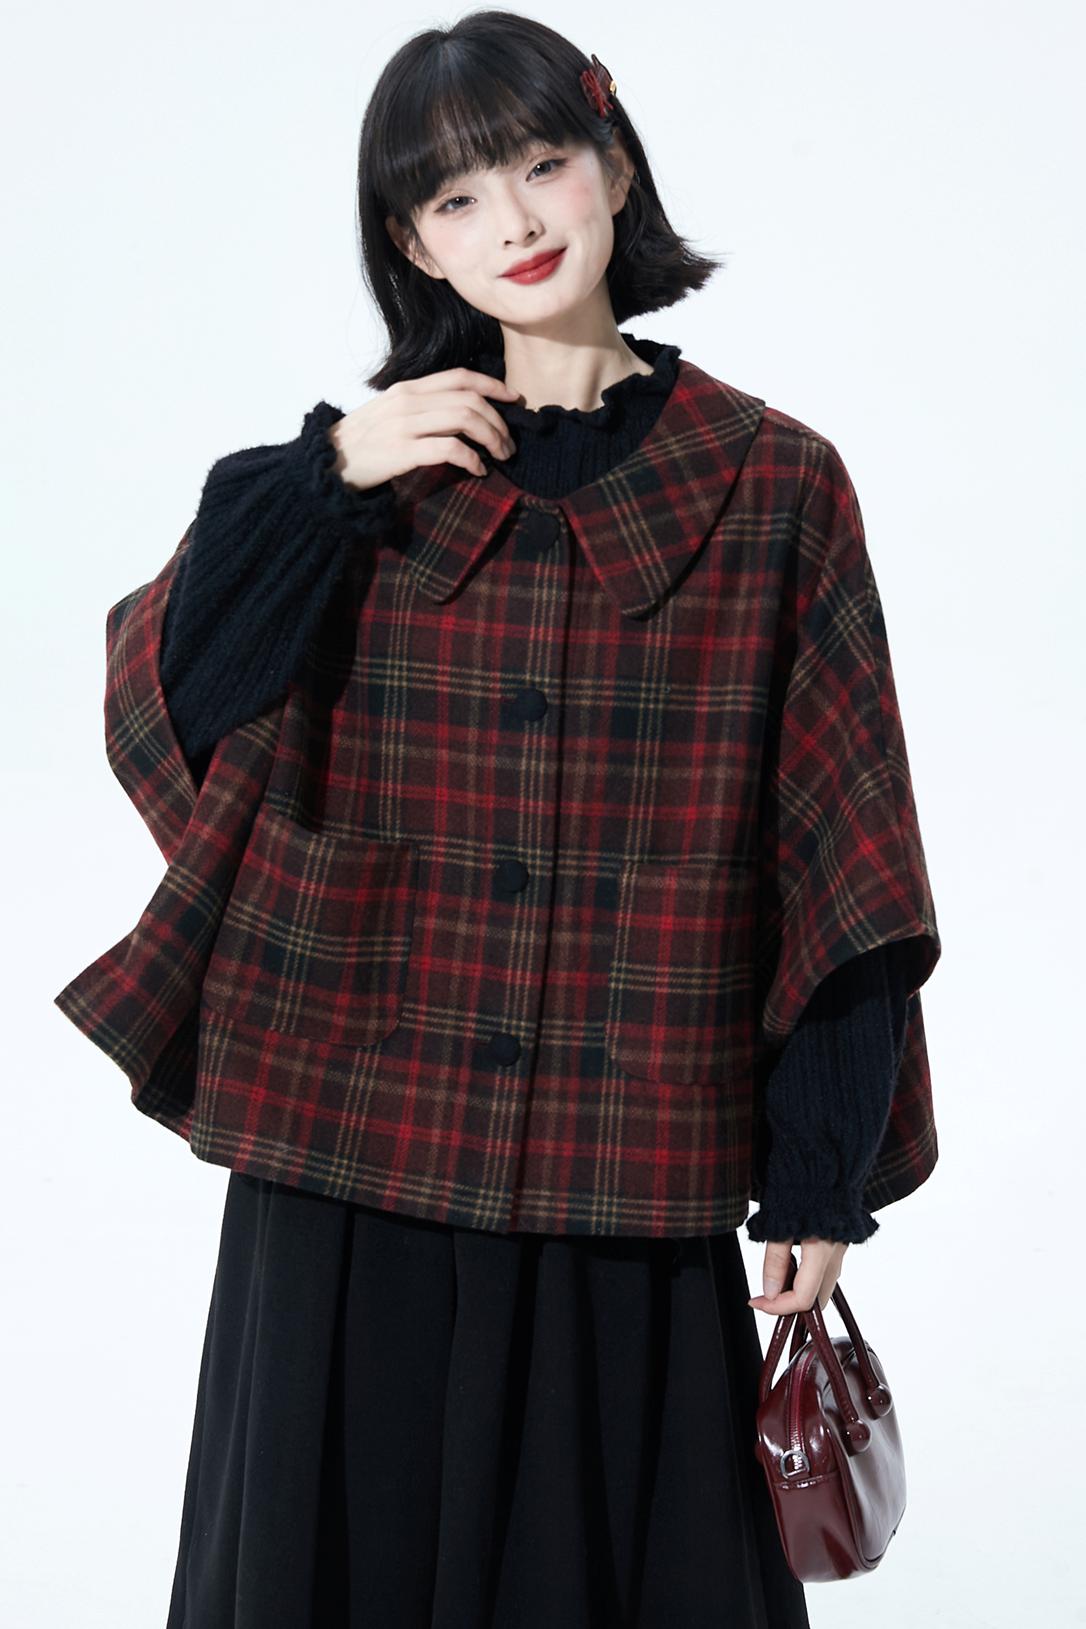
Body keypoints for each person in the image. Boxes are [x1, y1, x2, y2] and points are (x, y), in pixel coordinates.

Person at [56, 10, 941, 1627]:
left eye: (542, 166)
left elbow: (840, 841)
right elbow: (172, 705)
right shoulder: (358, 476)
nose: (515, 222)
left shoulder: (772, 485)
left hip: (634, 1148)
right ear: (411, 242)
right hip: (348, 1143)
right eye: (456, 198)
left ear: (614, 168)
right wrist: (322, 478)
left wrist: (821, 1175)